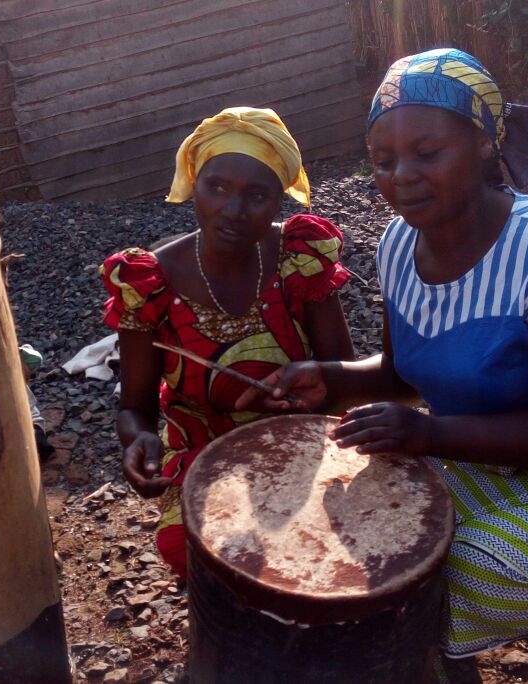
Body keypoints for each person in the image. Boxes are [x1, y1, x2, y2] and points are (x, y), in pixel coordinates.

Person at [237, 50, 528, 684]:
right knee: (387, 525)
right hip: (505, 452)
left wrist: (429, 434)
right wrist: (333, 378)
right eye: (383, 160)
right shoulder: (399, 245)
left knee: (470, 569)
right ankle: (464, 635)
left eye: (427, 153)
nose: (402, 176)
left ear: (485, 143)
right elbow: (405, 373)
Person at [100, 107, 356, 576]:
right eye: (216, 187)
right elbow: (134, 407)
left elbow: (345, 376)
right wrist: (138, 441)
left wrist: (314, 399)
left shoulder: (299, 258)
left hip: (300, 438)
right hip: (202, 448)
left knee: (332, 545)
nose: (233, 211)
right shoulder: (150, 283)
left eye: (257, 195)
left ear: (279, 199)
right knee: (196, 551)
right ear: (194, 183)